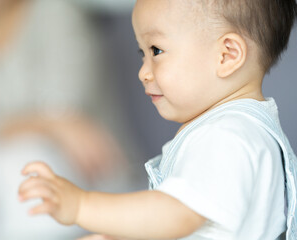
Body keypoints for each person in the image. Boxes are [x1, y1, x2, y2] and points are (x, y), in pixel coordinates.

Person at [18, 0, 297, 239]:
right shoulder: (243, 131)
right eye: (142, 54)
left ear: (226, 55)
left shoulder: (228, 136)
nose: (143, 72)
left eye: (156, 51)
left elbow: (176, 214)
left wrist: (81, 205)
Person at [0, 0, 142, 239]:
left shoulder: (56, 11)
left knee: (21, 164)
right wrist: (52, 124)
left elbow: (67, 103)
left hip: (88, 165)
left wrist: (49, 123)